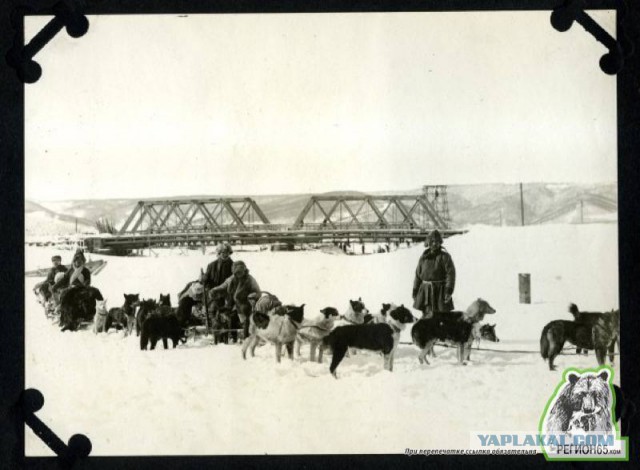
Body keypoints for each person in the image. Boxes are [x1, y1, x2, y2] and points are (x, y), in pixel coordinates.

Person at [209, 260, 261, 340]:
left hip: (245, 304)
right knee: (230, 317)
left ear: (244, 271)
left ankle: (246, 337)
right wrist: (214, 290)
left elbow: (258, 292)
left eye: (241, 272)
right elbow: (223, 286)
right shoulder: (231, 279)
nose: (239, 274)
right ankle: (232, 336)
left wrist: (252, 296)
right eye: (237, 272)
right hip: (232, 304)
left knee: (245, 319)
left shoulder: (250, 280)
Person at [412, 230, 456, 318]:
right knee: (427, 316)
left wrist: (449, 290)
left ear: (440, 242)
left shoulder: (445, 257)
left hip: (440, 292)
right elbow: (418, 275)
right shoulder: (423, 257)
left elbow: (450, 274)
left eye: (437, 241)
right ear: (428, 242)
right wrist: (415, 289)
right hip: (425, 292)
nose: (434, 244)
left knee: (441, 317)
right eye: (432, 241)